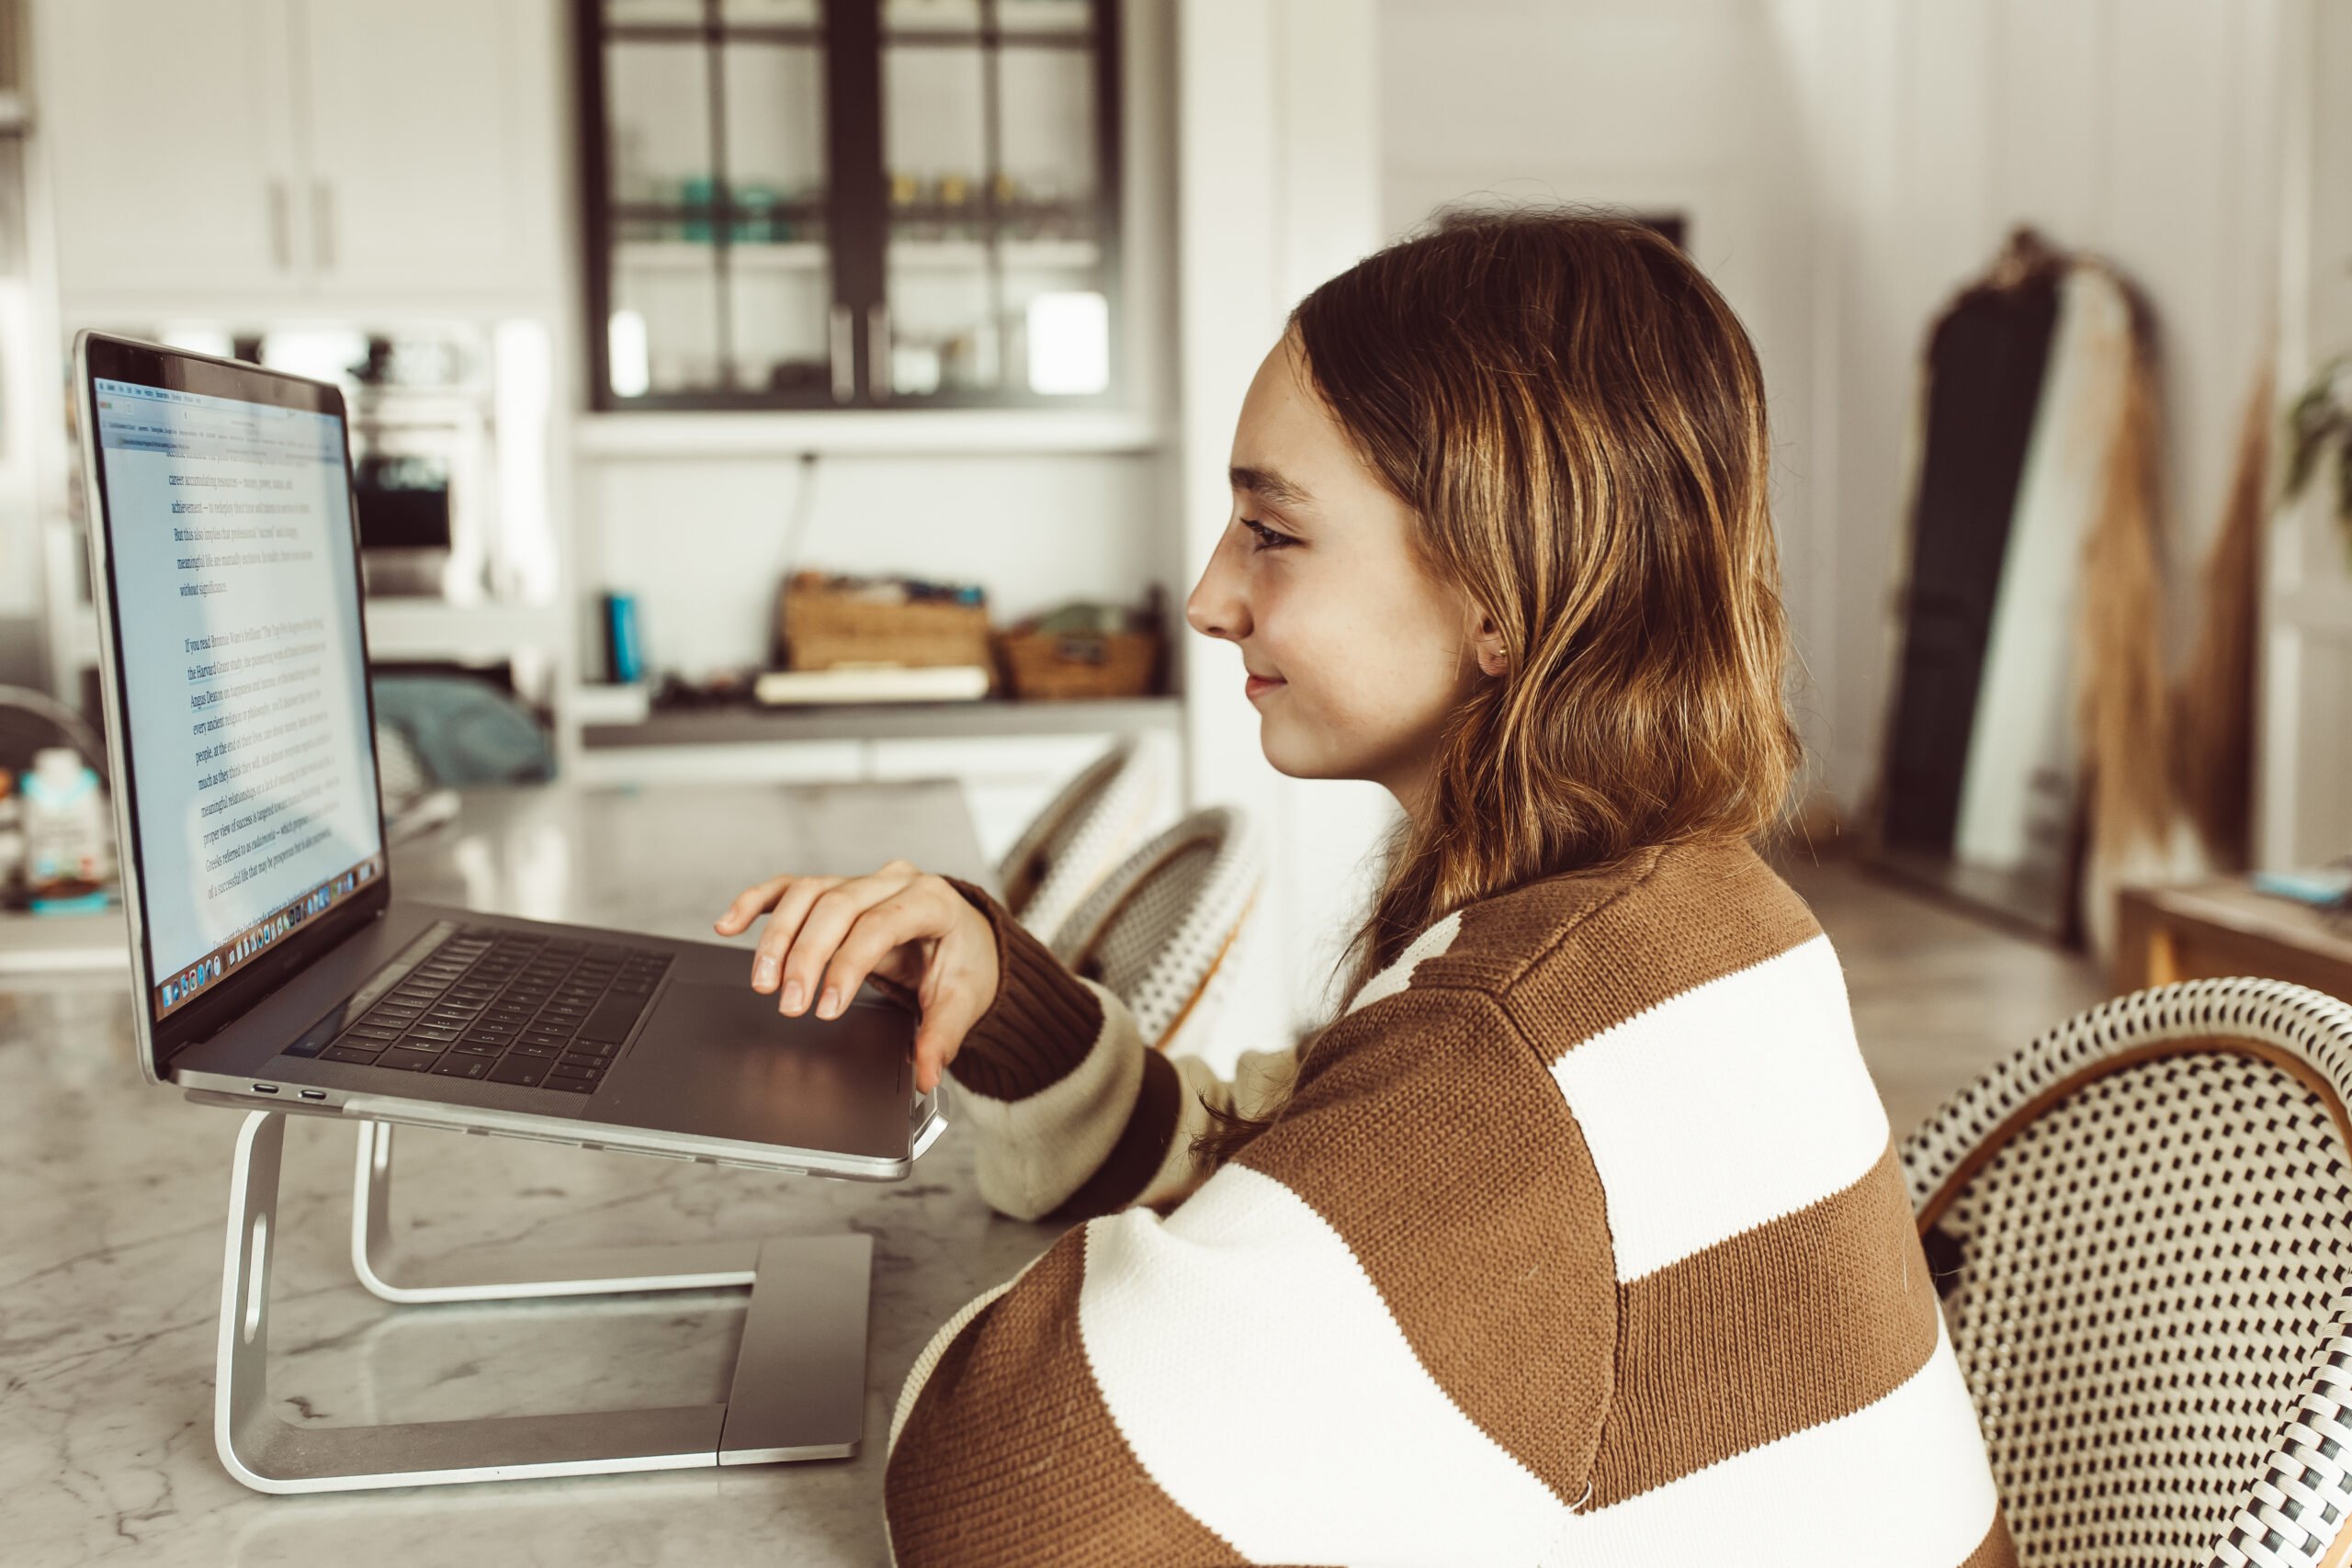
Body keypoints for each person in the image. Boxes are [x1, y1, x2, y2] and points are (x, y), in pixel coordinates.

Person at [715, 210, 2011, 1566]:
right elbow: (1273, 1161)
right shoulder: (1685, 914)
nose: (1213, 599)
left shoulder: (1516, 1041)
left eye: (1272, 532)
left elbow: (1004, 1508)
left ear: (1504, 596)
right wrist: (997, 997)